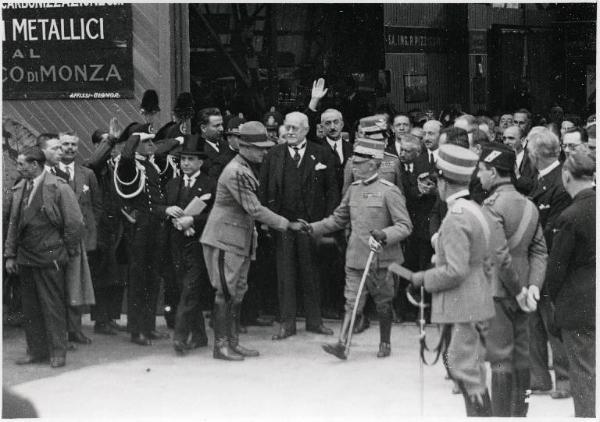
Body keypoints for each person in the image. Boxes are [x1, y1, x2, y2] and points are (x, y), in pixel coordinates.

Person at [405, 144, 516, 417]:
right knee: (470, 371)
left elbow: (455, 271)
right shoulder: (475, 208)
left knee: (465, 372)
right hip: (476, 299)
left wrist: (423, 278)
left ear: (443, 182)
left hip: (462, 304)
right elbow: (480, 258)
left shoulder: (456, 217)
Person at [303, 136, 412, 358]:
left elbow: (405, 226)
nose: (354, 165)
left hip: (382, 259)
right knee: (351, 301)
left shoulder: (389, 191)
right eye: (354, 161)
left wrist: (384, 234)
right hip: (355, 256)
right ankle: (343, 344)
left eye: (359, 162)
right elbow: (338, 218)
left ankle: (385, 342)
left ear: (373, 163)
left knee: (383, 302)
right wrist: (313, 228)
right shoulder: (353, 189)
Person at [201, 121, 301, 361]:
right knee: (225, 292)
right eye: (260, 148)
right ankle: (221, 345)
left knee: (236, 291)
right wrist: (287, 224)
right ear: (244, 147)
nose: (265, 152)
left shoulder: (244, 167)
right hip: (227, 239)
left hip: (238, 239)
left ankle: (232, 343)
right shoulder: (236, 171)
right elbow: (255, 209)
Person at [477, 143, 548, 416]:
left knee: (499, 361)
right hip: (525, 296)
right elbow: (540, 251)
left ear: (494, 173)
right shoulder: (529, 205)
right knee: (521, 358)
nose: (479, 176)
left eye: (482, 171)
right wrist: (532, 287)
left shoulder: (491, 206)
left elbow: (499, 255)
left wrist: (518, 290)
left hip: (498, 293)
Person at [259, 111, 338, 340]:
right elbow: (263, 190)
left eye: (295, 128)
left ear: (305, 130)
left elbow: (332, 190)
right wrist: (268, 223)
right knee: (285, 275)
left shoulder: (322, 154)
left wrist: (325, 223)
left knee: (312, 273)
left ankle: (315, 322)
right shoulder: (273, 155)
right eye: (288, 127)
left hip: (311, 225)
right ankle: (287, 324)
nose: (290, 131)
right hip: (283, 225)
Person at [4, 147, 84, 368]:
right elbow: (14, 224)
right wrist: (10, 255)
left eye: (21, 164)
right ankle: (36, 351)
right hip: (26, 257)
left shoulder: (58, 187)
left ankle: (58, 352)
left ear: (35, 165)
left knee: (52, 306)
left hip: (51, 257)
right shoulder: (21, 187)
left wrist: (64, 249)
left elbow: (75, 223)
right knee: (30, 308)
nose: (18, 168)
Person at [546, 152, 595, 417]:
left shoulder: (569, 216)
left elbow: (556, 268)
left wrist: (553, 300)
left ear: (566, 175)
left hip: (578, 303)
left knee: (583, 370)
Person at [114, 124, 172, 346]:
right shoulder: (128, 164)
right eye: (146, 142)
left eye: (151, 141)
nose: (152, 145)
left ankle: (149, 326)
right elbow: (126, 155)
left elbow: (168, 145)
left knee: (153, 277)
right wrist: (134, 136)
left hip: (155, 226)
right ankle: (137, 329)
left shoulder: (151, 165)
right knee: (138, 279)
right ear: (136, 144)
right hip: (139, 228)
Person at [526, 126, 572, 398]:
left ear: (535, 154)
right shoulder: (540, 179)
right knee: (533, 322)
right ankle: (539, 377)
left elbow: (554, 228)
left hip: (551, 263)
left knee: (552, 323)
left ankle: (564, 380)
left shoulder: (559, 182)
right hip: (534, 262)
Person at [164, 135, 216, 355]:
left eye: (191, 159)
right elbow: (161, 207)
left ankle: (180, 336)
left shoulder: (210, 184)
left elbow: (216, 215)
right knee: (184, 290)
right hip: (176, 245)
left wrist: (193, 220)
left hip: (198, 245)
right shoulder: (173, 183)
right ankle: (201, 336)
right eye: (183, 159)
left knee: (189, 290)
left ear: (200, 162)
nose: (185, 163)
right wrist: (167, 212)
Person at [84, 127, 129, 335]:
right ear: (97, 146)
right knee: (102, 276)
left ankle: (111, 318)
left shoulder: (112, 166)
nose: (110, 149)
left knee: (115, 275)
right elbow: (93, 162)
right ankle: (100, 321)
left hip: (115, 228)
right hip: (101, 230)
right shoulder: (93, 167)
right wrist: (110, 139)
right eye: (104, 144)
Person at [59, 132, 101, 345]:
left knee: (76, 284)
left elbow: (96, 206)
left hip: (80, 239)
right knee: (58, 285)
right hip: (57, 240)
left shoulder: (87, 174)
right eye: (65, 144)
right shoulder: (52, 173)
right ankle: (59, 331)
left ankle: (75, 330)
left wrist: (91, 235)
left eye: (73, 145)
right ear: (59, 146)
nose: (69, 148)